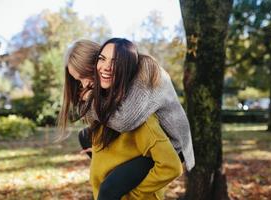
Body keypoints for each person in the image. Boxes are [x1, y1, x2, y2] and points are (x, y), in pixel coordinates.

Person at [58, 38, 194, 199]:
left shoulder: (142, 76)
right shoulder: (115, 84)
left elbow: (124, 121)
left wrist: (136, 195)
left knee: (109, 189)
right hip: (147, 139)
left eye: (85, 76)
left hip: (173, 146)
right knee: (84, 136)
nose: (84, 85)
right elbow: (97, 116)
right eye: (78, 82)